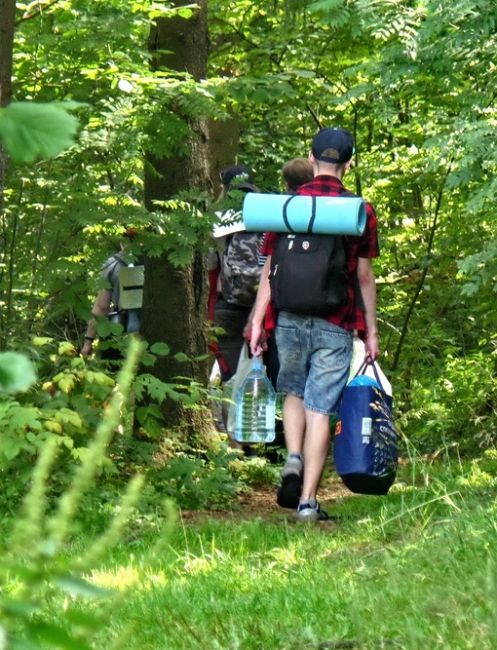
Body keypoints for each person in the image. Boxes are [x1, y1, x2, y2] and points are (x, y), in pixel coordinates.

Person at [250, 127, 380, 522]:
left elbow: (270, 270)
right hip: (335, 322)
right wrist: (370, 331)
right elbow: (364, 276)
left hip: (288, 317)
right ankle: (307, 501)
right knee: (320, 408)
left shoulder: (288, 206)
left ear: (311, 158)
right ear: (349, 162)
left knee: (292, 392)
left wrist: (257, 320)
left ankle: (292, 456)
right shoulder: (358, 209)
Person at [81, 228, 143, 358]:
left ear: (122, 241)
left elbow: (101, 307)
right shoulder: (157, 262)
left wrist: (88, 341)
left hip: (122, 328)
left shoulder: (113, 264)